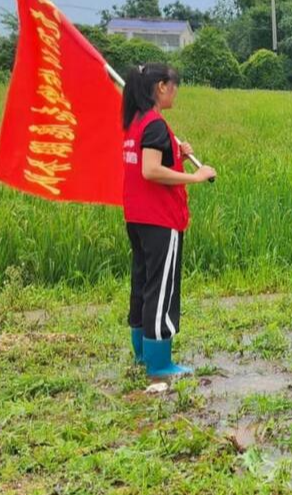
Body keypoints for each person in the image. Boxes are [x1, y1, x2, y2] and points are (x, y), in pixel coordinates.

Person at [122, 63, 217, 378]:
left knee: (143, 284)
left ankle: (142, 354)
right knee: (161, 289)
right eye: (174, 86)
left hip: (137, 217)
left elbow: (151, 157)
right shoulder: (155, 126)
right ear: (161, 86)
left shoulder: (137, 122)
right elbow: (150, 170)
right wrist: (196, 176)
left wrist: (178, 150)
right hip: (160, 219)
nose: (176, 92)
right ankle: (160, 363)